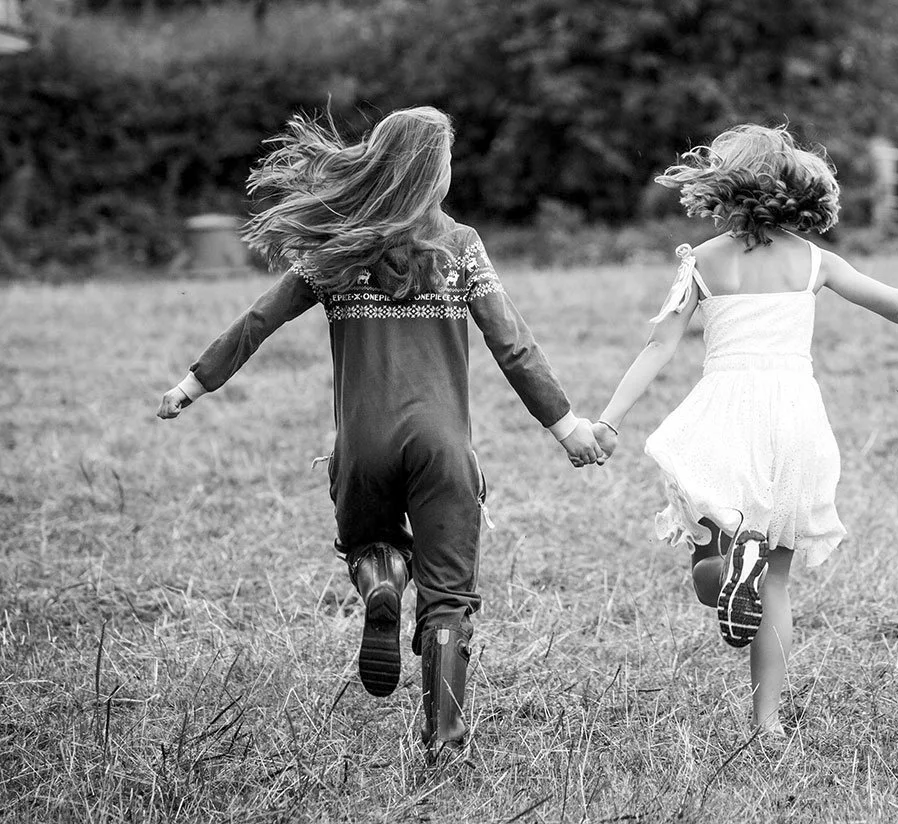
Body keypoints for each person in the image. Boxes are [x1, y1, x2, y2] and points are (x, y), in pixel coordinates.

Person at [157, 107, 601, 753]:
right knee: (450, 597)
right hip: (444, 448)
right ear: (433, 172)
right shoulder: (461, 247)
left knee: (368, 545)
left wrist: (193, 384)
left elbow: (259, 319)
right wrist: (567, 428)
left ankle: (382, 580)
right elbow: (514, 348)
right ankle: (444, 740)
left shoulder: (338, 250)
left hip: (362, 447)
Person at [591, 124, 898, 739]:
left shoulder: (703, 262)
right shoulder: (814, 262)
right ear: (792, 186)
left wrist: (609, 419)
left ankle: (727, 561)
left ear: (724, 188)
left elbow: (658, 344)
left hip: (726, 412)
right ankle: (767, 723)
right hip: (795, 417)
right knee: (776, 579)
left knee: (707, 555)